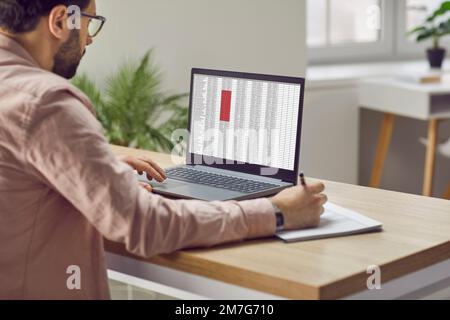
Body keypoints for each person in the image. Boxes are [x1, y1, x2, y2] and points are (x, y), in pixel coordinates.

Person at [0, 0, 327, 299]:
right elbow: (144, 225)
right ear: (60, 20)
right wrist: (277, 212)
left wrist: (94, 167)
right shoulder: (47, 103)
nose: (89, 38)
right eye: (89, 21)